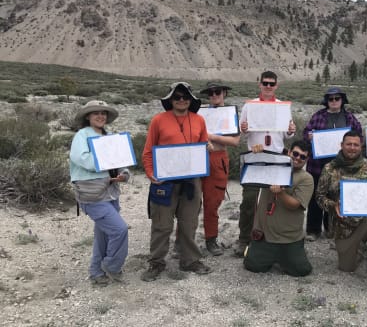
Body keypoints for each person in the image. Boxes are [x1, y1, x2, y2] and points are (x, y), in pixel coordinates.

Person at [141, 82, 212, 281]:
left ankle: (189, 260)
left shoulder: (199, 120)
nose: (182, 100)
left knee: (189, 223)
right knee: (162, 224)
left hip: (191, 181)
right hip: (165, 181)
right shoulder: (158, 120)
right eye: (177, 96)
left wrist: (207, 149)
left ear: (191, 100)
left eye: (186, 96)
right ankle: (156, 262)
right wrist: (150, 173)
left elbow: (204, 144)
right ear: (170, 99)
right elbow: (148, 151)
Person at [316, 130, 367, 300]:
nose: (352, 148)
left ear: (361, 147)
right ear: (342, 145)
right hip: (343, 227)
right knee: (347, 268)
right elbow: (319, 197)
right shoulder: (330, 169)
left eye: (356, 145)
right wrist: (332, 205)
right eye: (348, 144)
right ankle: (359, 248)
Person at [69, 100, 130, 286]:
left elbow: (120, 160)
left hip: (111, 192)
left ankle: (96, 272)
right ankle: (111, 266)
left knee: (103, 233)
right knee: (119, 230)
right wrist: (107, 161)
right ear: (88, 116)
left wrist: (124, 173)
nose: (100, 116)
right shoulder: (82, 135)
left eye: (103, 113)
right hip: (93, 195)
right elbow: (82, 159)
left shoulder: (109, 135)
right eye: (96, 113)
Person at [236, 71, 296, 257]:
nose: (268, 86)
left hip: (276, 158)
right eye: (265, 83)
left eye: (271, 83)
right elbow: (242, 131)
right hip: (255, 158)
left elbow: (287, 134)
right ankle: (244, 238)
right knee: (249, 200)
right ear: (259, 84)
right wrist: (243, 129)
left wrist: (292, 130)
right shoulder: (249, 106)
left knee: (273, 201)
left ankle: (268, 238)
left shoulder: (283, 107)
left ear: (276, 85)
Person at [243, 140, 314, 276]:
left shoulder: (307, 179)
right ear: (289, 152)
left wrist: (281, 193)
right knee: (252, 266)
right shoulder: (271, 167)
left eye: (303, 156)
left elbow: (295, 205)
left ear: (307, 160)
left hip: (288, 238)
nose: (298, 158)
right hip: (265, 236)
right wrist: (257, 154)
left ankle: (293, 251)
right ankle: (254, 249)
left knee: (302, 271)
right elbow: (251, 167)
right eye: (295, 153)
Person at [302, 87, 362, 241]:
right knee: (316, 196)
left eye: (337, 98)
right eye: (331, 99)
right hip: (318, 165)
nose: (334, 101)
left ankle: (330, 228)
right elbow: (305, 133)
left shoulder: (350, 118)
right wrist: (309, 137)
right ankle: (313, 230)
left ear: (342, 101)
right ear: (326, 101)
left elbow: (358, 135)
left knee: (335, 196)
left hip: (341, 166)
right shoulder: (318, 116)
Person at [198, 82, 241, 256]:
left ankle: (211, 239)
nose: (214, 95)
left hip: (218, 159)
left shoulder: (230, 114)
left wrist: (211, 136)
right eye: (211, 93)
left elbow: (235, 141)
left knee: (213, 201)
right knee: (191, 201)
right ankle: (181, 240)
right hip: (199, 158)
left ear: (224, 93)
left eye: (217, 92)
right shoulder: (200, 114)